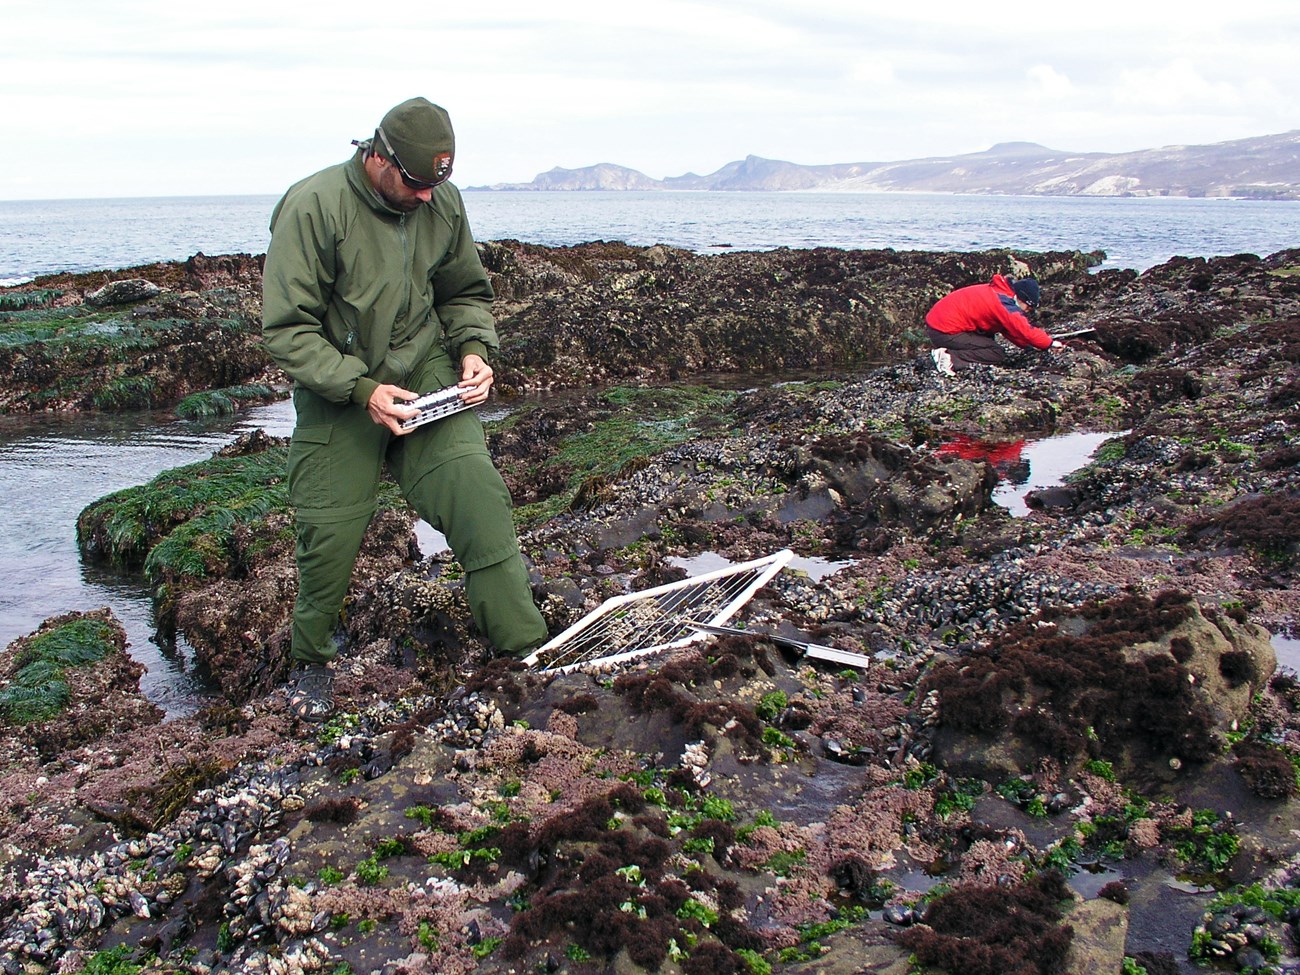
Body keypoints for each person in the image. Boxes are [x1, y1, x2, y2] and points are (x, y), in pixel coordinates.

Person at [262, 97, 548, 722]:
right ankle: (309, 663)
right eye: (417, 183)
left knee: (477, 494)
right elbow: (287, 330)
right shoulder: (311, 206)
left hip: (424, 374)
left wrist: (474, 348)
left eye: (437, 184)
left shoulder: (441, 202)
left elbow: (464, 291)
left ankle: (525, 653)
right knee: (329, 536)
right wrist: (361, 389)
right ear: (379, 156)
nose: (426, 198)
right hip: (342, 390)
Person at [924, 274, 1061, 375]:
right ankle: (950, 358)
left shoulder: (1000, 292)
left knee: (989, 341)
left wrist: (1029, 347)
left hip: (940, 324)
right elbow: (1025, 330)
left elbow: (1010, 330)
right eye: (1028, 307)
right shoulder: (1004, 304)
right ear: (1020, 297)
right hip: (944, 330)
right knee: (996, 353)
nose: (1027, 311)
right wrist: (1049, 343)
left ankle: (950, 353)